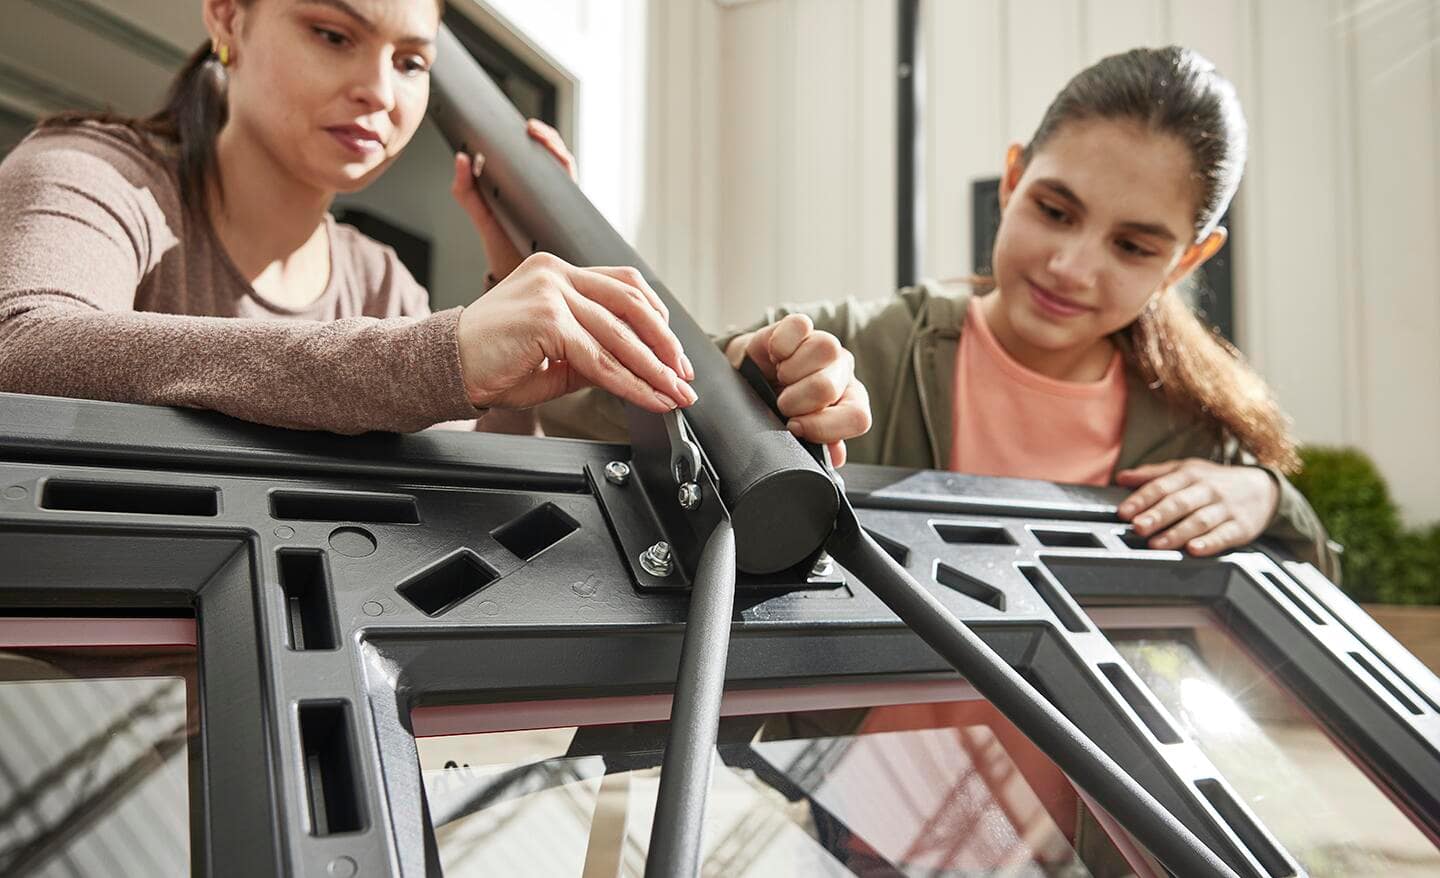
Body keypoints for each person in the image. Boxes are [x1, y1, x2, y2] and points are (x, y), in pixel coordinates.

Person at [544, 46, 1337, 578]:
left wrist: (1269, 499)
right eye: (1056, 210)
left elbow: (1313, 595)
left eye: (1133, 247)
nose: (1071, 266)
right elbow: (578, 412)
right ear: (1014, 179)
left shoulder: (1194, 432)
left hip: (1096, 821)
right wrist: (741, 384)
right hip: (855, 815)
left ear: (1188, 263)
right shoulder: (859, 347)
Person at [0, 0, 860, 439]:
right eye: (333, 33)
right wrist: (440, 352)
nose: (381, 88)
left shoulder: (377, 279)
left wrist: (505, 279)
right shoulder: (95, 173)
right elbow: (23, 351)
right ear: (229, 15)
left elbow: (472, 495)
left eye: (412, 60)